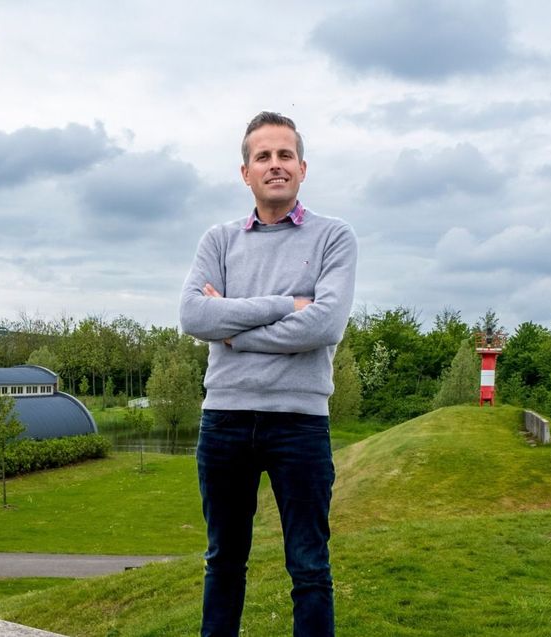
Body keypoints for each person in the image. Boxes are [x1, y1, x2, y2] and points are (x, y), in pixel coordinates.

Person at [179, 111, 358, 637]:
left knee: (309, 566)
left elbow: (323, 325)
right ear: (245, 172)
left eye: (284, 156)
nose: (274, 165)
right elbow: (194, 316)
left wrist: (232, 328)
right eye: (263, 156)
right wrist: (287, 304)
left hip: (299, 424)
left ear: (302, 168)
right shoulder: (218, 240)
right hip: (225, 421)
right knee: (224, 562)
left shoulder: (334, 237)